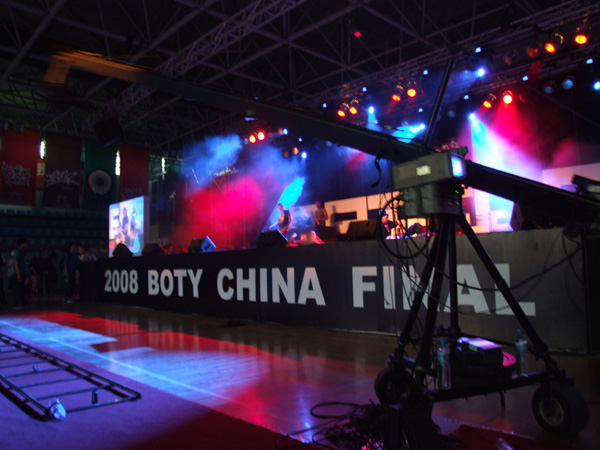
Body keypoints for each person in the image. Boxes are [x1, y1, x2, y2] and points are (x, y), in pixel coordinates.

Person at [12, 237, 29, 309]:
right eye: (25, 243)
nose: (27, 244)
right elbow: (16, 263)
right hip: (18, 274)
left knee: (22, 289)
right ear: (22, 244)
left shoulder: (23, 252)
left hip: (22, 273)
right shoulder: (18, 252)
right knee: (17, 289)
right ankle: (15, 304)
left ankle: (21, 303)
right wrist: (18, 274)